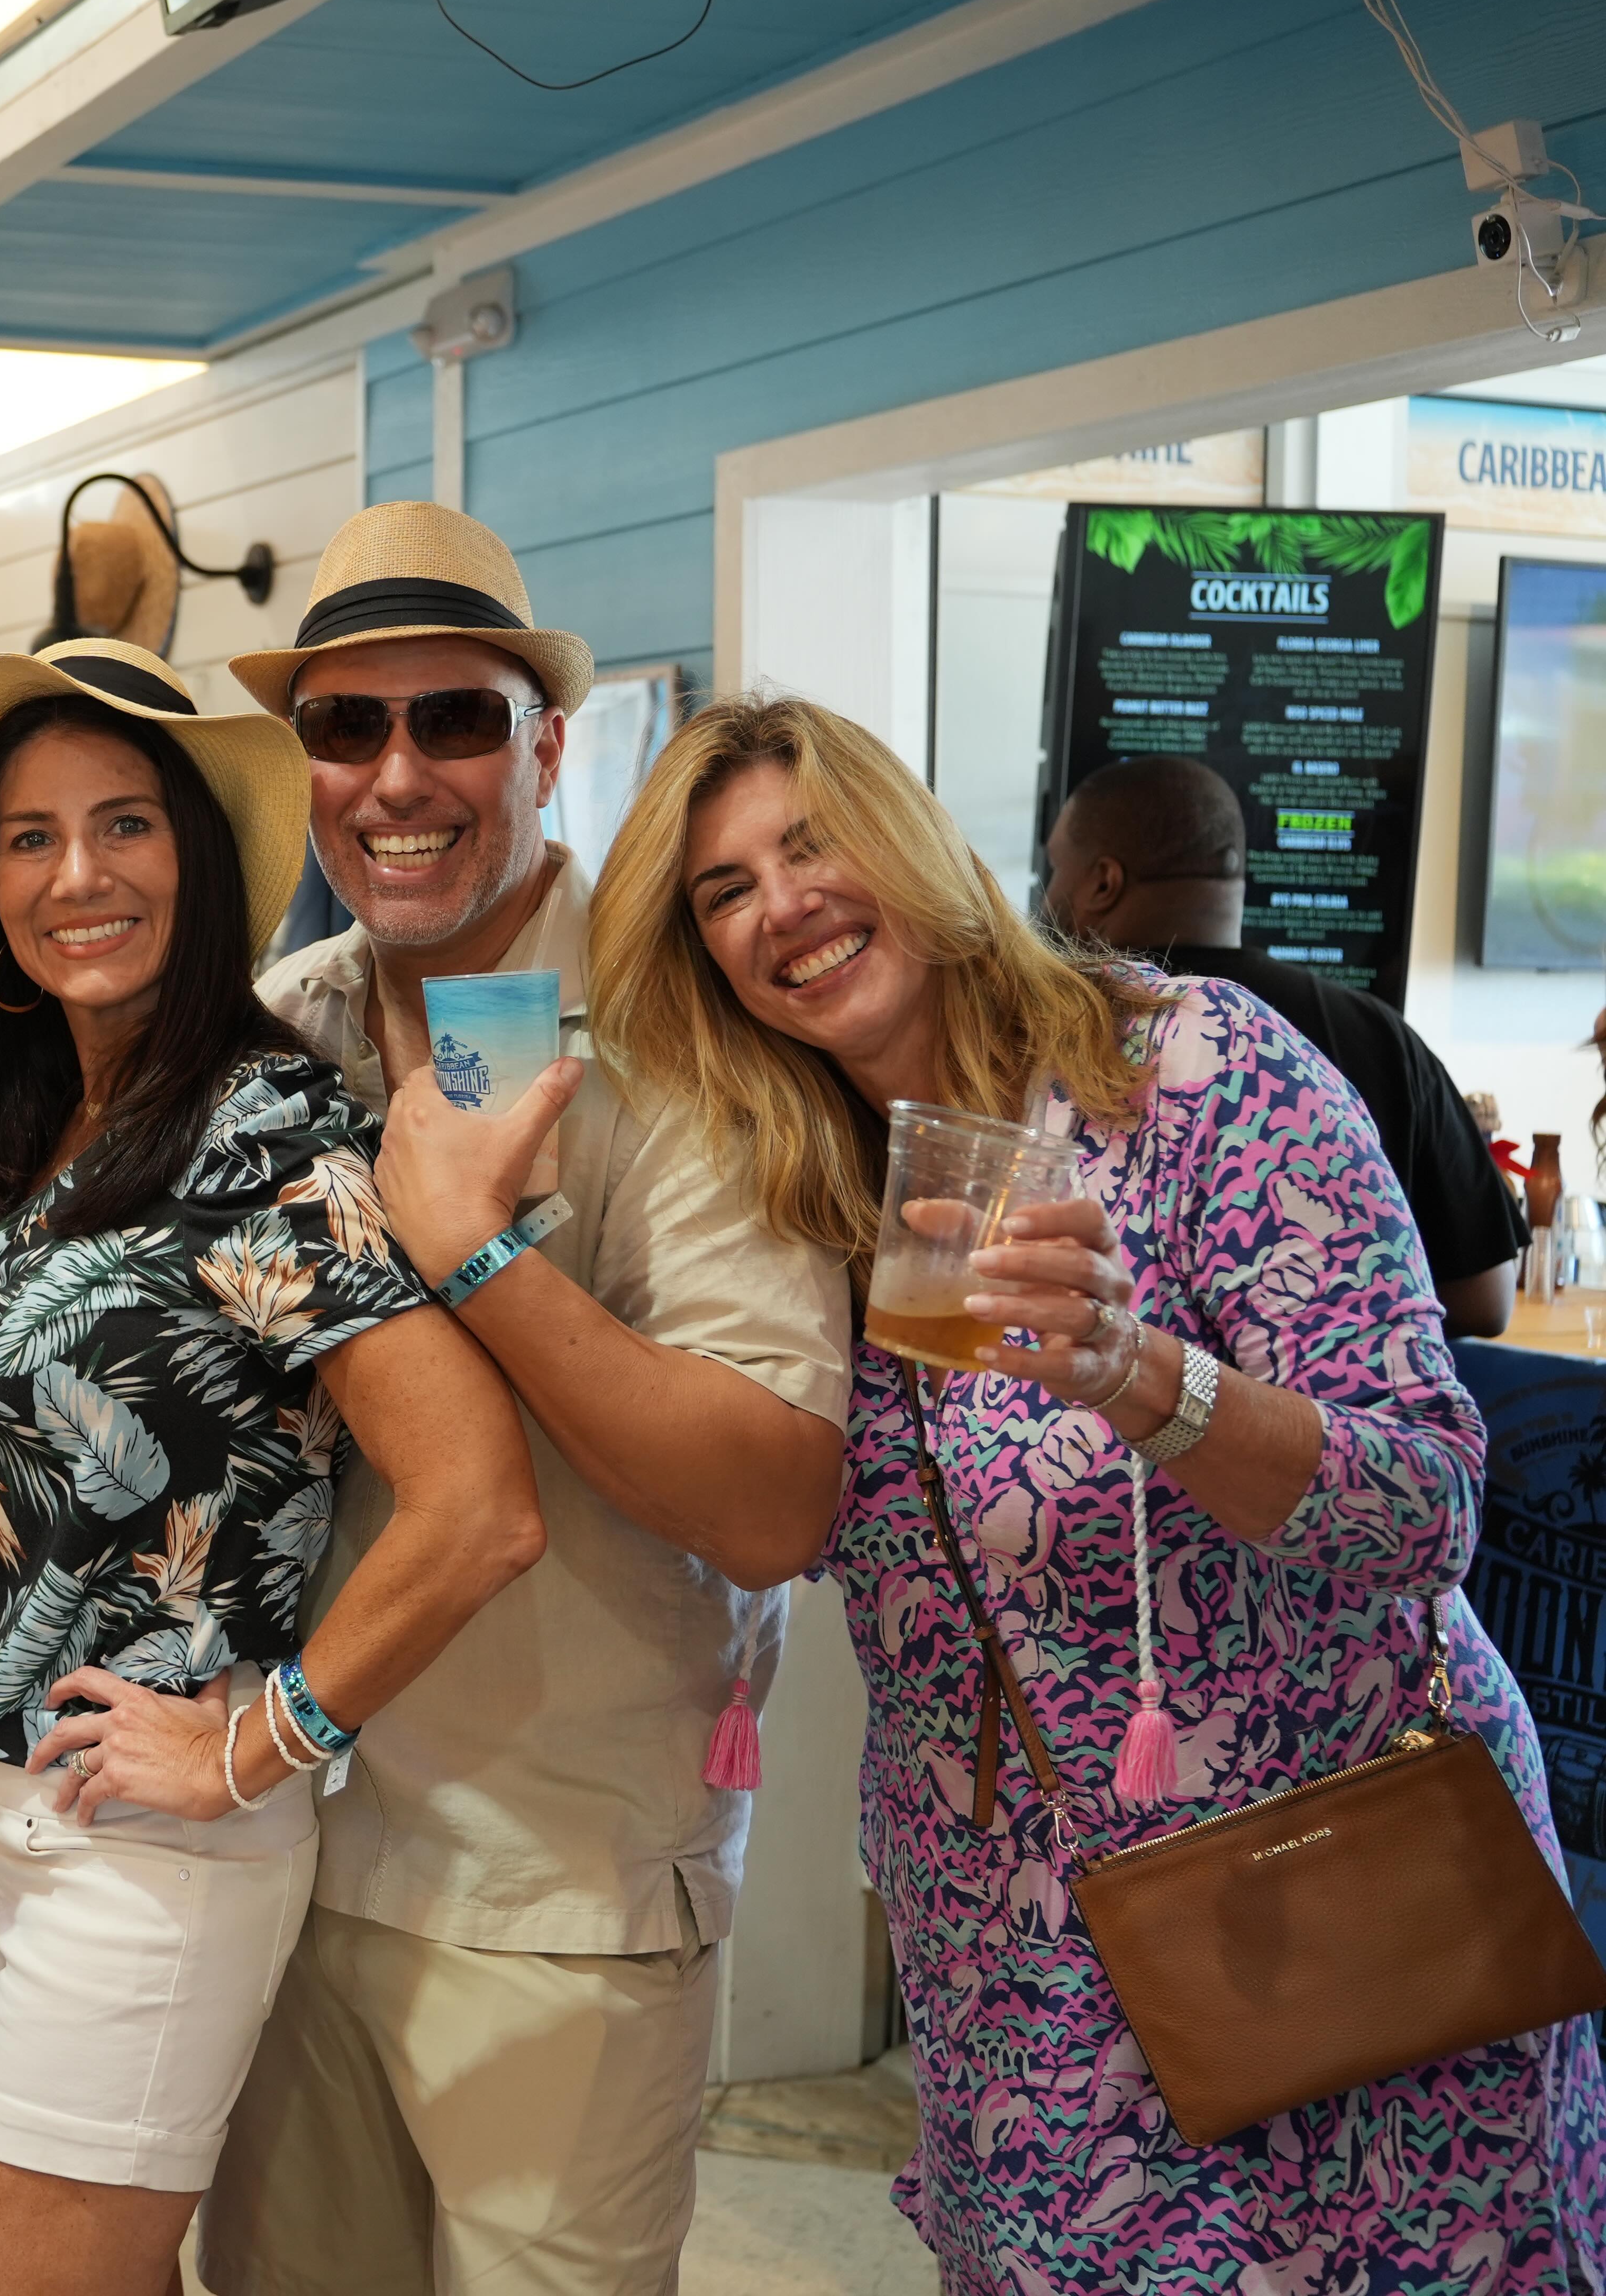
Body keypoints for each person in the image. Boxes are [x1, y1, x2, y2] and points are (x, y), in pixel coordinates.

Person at [590, 692, 1600, 2290]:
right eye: (723, 889)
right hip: (1013, 1966)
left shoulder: (1187, 1070)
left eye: (812, 843)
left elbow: (1424, 1504)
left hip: (1324, 1888)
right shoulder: (782, 1187)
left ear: (913, 843)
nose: (781, 903)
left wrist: (1142, 1375)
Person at [0, 636, 541, 2296]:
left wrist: (260, 1742)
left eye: (123, 825)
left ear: (199, 860)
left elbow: (479, 1508)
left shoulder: (264, 1134)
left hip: (148, 1837)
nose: (74, 875)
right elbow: (82, 1311)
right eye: (29, 838)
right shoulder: (70, 1115)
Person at [188, 504, 855, 2296]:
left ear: (546, 746)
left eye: (455, 721)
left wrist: (476, 1258)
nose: (397, 775)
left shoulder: (684, 1037)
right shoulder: (276, 1031)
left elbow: (773, 1502)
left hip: (558, 1893)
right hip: (279, 1846)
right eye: (347, 726)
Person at [1040, 753, 1520, 1339]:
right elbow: (1486, 1299)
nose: (1046, 893)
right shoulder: (1378, 1035)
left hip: (1118, 1390)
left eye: (1053, 869)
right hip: (1339, 1394)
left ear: (1103, 882)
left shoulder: (1054, 1042)